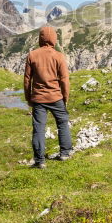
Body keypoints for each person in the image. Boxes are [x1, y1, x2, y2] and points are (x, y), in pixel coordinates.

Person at [23, 26, 72, 168]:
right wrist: (65, 98)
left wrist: (28, 98)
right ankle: (65, 153)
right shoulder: (58, 56)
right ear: (54, 39)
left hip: (38, 98)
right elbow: (64, 79)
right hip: (56, 97)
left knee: (39, 128)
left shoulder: (32, 55)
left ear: (40, 38)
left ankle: (40, 161)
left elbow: (27, 80)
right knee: (62, 123)